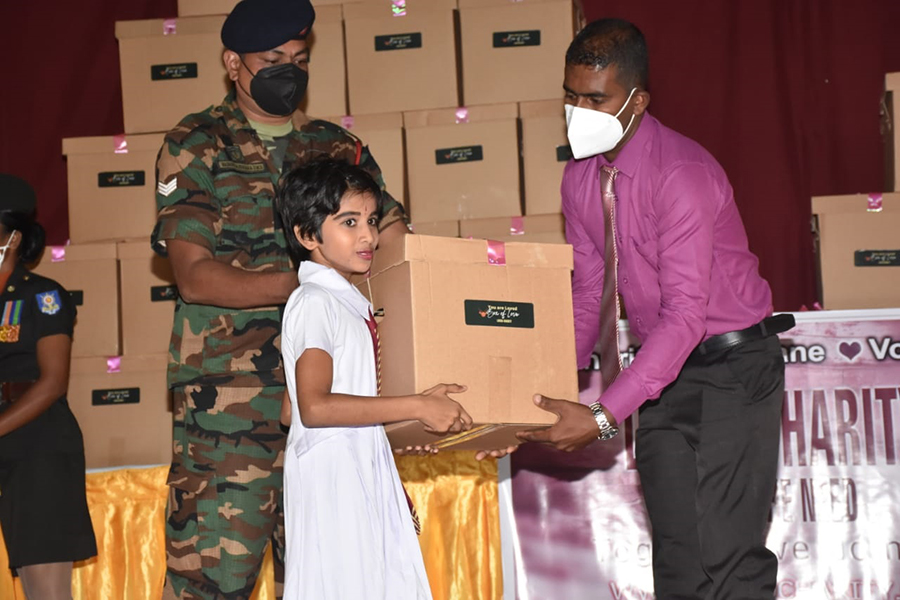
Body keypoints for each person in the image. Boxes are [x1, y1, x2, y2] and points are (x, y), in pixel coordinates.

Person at [518, 19, 794, 599]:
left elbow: (686, 315)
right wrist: (542, 392)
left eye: (596, 98)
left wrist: (600, 416)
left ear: (637, 100)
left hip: (735, 369)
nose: (577, 109)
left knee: (729, 560)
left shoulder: (681, 174)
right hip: (665, 375)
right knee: (677, 564)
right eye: (570, 95)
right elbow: (588, 294)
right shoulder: (578, 178)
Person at [151, 0, 410, 596]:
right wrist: (315, 279)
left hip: (334, 402)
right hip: (231, 404)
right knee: (214, 582)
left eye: (298, 59)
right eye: (272, 61)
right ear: (233, 63)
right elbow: (195, 276)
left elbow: (394, 246)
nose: (288, 72)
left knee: (331, 577)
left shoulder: (336, 147)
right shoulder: (196, 144)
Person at [276, 158, 471, 599]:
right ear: (307, 235)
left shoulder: (345, 299)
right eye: (349, 222)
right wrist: (415, 405)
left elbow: (289, 411)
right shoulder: (314, 301)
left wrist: (395, 434)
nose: (368, 235)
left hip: (356, 470)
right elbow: (315, 407)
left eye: (371, 220)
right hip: (335, 485)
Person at [0, 174, 97, 600]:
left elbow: (53, 382)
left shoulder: (43, 296)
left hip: (37, 440)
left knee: (46, 588)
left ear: (13, 237)